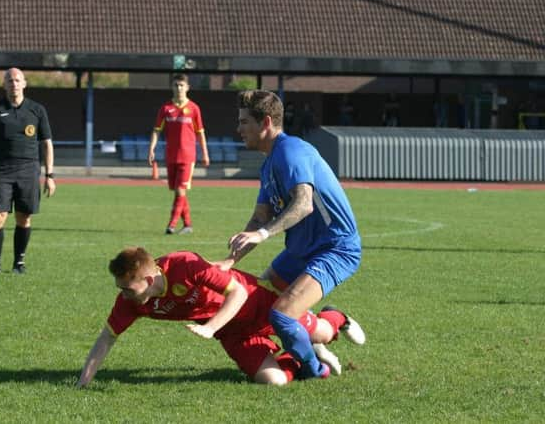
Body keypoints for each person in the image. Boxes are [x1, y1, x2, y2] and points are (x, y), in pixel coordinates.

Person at [219, 90, 362, 380]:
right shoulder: (269, 163)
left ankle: (315, 370)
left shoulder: (291, 151)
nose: (239, 129)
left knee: (282, 315)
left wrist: (262, 234)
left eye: (244, 121)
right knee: (262, 306)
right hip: (299, 249)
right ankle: (331, 322)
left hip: (335, 248)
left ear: (266, 122)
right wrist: (229, 262)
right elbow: (261, 215)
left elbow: (303, 203)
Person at [76, 247, 365, 388]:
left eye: (127, 287)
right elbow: (106, 339)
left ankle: (336, 316)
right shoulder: (131, 302)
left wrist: (210, 327)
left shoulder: (184, 264)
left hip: (260, 304)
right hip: (233, 333)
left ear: (150, 278)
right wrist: (83, 382)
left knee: (322, 333)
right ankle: (299, 359)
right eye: (120, 288)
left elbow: (237, 293)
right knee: (273, 379)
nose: (123, 293)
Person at [0, 67, 56, 275]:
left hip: (29, 169)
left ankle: (19, 263)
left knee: (24, 217)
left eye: (18, 80)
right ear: (4, 85)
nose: (14, 84)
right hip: (0, 169)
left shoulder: (37, 110)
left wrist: (49, 175)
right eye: (10, 80)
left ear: (25, 84)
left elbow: (47, 144)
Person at [148, 73, 209, 235]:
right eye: (176, 85)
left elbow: (200, 133)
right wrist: (152, 148)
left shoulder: (194, 109)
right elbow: (156, 131)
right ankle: (188, 224)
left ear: (188, 87)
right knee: (177, 191)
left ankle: (172, 224)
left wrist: (205, 153)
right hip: (171, 155)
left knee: (181, 190)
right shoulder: (166, 108)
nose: (179, 88)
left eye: (182, 85)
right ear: (172, 87)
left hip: (188, 156)